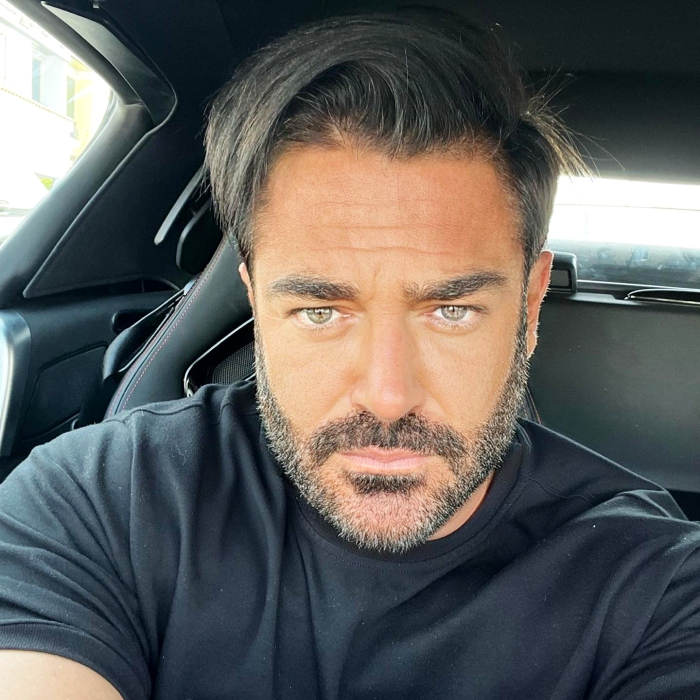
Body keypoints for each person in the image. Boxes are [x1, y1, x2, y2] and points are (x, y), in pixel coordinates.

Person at [0, 9, 699, 700]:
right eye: (320, 311)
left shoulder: (655, 590)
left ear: (530, 302)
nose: (388, 397)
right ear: (255, 299)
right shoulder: (99, 501)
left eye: (451, 310)